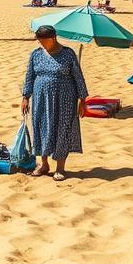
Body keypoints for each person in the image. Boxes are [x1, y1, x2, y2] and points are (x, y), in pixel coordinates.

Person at [20, 25, 88, 181]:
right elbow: (29, 76)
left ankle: (60, 168)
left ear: (53, 38)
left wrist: (82, 99)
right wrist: (25, 97)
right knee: (41, 128)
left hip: (64, 100)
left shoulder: (68, 54)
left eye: (43, 41)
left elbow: (78, 77)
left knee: (62, 129)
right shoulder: (36, 55)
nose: (41, 44)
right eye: (39, 41)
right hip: (41, 99)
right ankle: (44, 165)